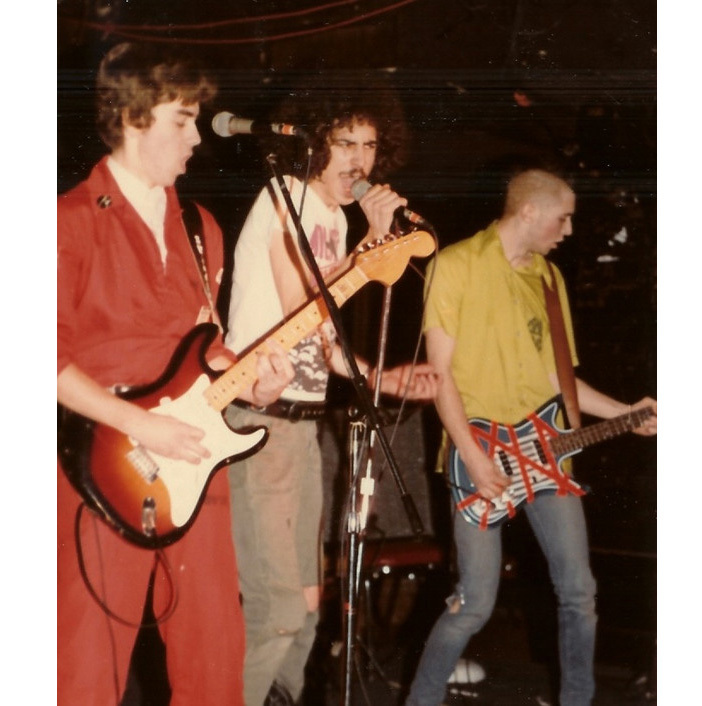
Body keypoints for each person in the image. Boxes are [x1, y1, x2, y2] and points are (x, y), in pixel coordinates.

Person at [57, 42, 294, 705]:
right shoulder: (67, 222)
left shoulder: (200, 227)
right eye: (182, 120)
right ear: (133, 118)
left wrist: (255, 382)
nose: (196, 137)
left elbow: (204, 348)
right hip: (101, 462)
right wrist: (139, 424)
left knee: (214, 648)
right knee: (89, 660)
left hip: (192, 459)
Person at [404, 168, 657, 706]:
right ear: (529, 212)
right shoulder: (455, 265)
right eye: (563, 218)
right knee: (474, 603)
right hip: (479, 452)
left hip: (546, 454)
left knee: (579, 592)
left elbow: (557, 380)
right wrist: (473, 457)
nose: (568, 230)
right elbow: (439, 376)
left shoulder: (548, 279)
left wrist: (627, 413)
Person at [222, 83, 438, 705]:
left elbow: (324, 339)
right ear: (315, 142)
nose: (359, 160)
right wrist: (372, 245)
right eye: (346, 142)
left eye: (369, 145)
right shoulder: (286, 197)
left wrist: (382, 378)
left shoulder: (336, 221)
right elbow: (300, 306)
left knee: (309, 608)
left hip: (304, 423)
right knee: (278, 611)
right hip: (260, 419)